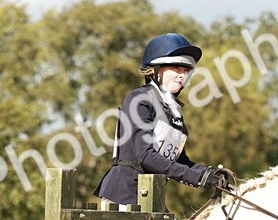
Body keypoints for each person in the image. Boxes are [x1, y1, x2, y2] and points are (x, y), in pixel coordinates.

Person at [94, 33, 232, 206]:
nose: (182, 75)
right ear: (155, 69)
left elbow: (180, 161)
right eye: (175, 68)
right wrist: (197, 177)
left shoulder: (173, 110)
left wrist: (208, 172)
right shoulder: (139, 99)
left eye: (185, 70)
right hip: (123, 197)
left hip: (151, 196)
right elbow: (146, 156)